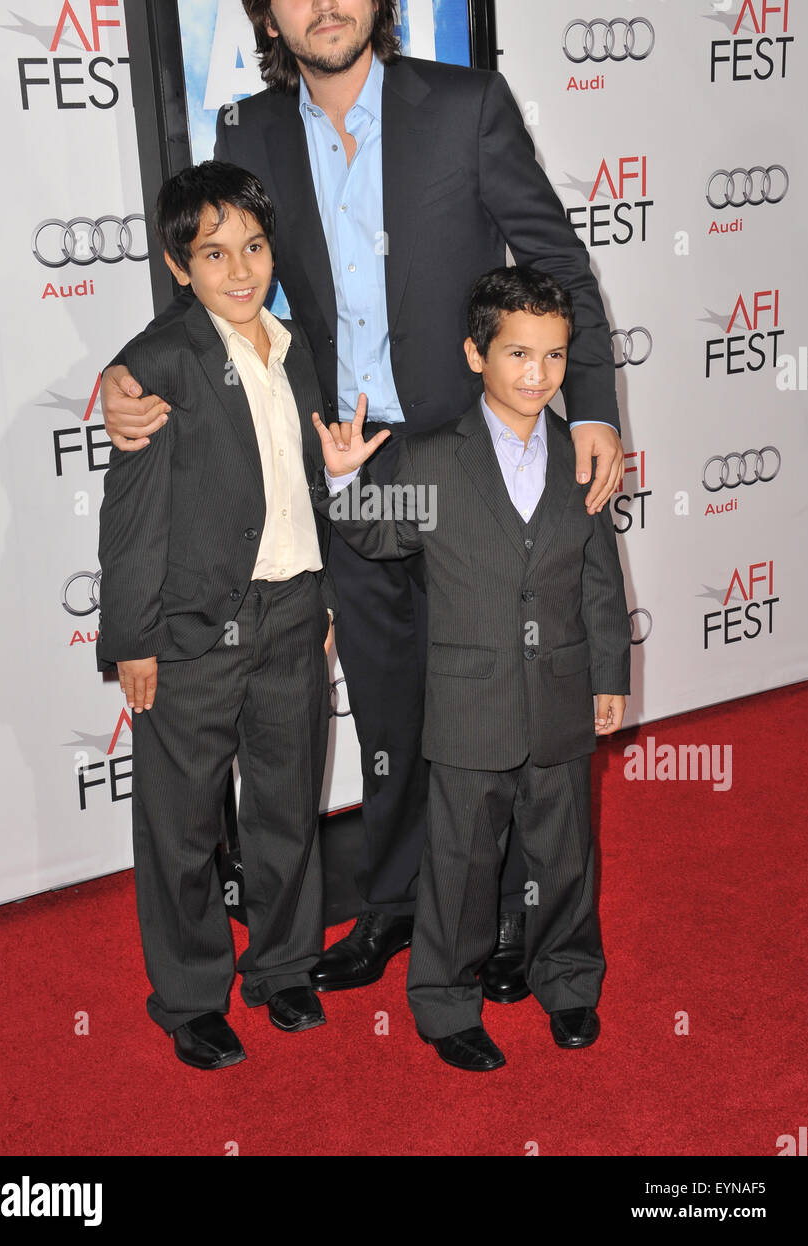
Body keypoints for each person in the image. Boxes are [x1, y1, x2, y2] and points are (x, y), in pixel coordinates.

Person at [100, 0, 625, 1003]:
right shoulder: (246, 131)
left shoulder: (463, 104)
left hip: (478, 460)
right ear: (268, 11)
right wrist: (126, 373)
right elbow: (215, 289)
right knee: (390, 702)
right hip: (353, 466)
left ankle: (516, 924)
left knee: (511, 699)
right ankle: (396, 906)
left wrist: (589, 407)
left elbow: (560, 264)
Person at [313, 266, 630, 1071]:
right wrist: (347, 478)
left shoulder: (580, 454)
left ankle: (567, 984)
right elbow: (377, 537)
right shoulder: (430, 459)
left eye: (554, 357)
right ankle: (444, 1004)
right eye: (518, 354)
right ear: (474, 354)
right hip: (465, 704)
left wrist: (607, 678)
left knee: (563, 856)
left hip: (559, 691)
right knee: (458, 863)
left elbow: (598, 577)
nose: (537, 374)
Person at [97, 161, 335, 1069]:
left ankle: (283, 966)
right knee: (182, 823)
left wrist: (321, 596)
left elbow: (304, 482)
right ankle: (192, 995)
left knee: (285, 804)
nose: (240, 270)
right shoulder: (157, 362)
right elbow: (133, 515)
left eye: (254, 246)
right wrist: (133, 641)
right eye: (213, 252)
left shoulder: (294, 341)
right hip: (189, 635)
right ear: (176, 263)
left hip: (292, 612)